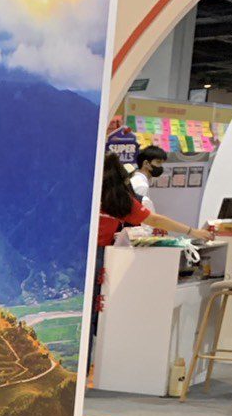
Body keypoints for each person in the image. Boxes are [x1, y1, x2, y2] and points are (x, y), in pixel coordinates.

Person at [90, 153, 210, 366]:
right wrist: (193, 231)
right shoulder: (117, 199)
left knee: (86, 313)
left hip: (81, 258)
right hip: (99, 258)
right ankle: (86, 368)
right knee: (92, 314)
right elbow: (155, 220)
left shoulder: (88, 192)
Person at [130, 145, 167, 211]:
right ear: (146, 163)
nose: (160, 166)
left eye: (162, 163)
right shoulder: (141, 185)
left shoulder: (137, 180)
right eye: (158, 162)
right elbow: (136, 212)